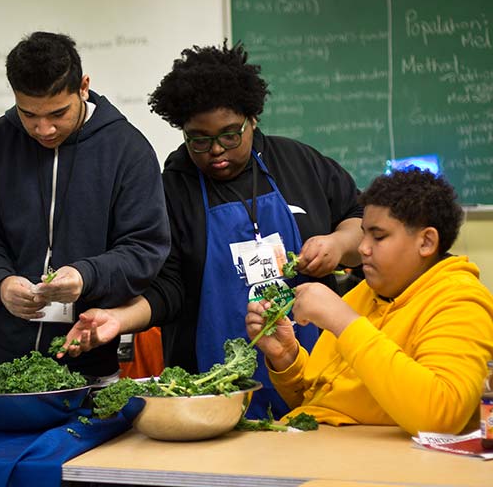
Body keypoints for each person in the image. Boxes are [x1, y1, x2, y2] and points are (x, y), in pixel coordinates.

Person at [60, 42, 363, 418]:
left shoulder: (299, 164)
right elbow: (167, 290)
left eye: (229, 135)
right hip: (209, 393)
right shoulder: (171, 189)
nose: (216, 151)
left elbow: (359, 222)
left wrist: (339, 243)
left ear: (253, 119)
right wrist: (118, 319)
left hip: (319, 377)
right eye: (198, 140)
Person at [0, 31, 170, 380]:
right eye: (29, 115)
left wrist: (87, 276)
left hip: (89, 368)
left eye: (58, 113)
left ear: (83, 86)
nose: (44, 129)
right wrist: (0, 282)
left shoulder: (127, 150)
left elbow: (145, 248)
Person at [246, 168, 493, 434]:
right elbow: (321, 403)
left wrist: (344, 321)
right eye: (364, 234)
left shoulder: (461, 303)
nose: (363, 247)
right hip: (321, 451)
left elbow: (443, 415)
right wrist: (286, 357)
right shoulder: (364, 293)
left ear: (426, 242)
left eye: (379, 236)